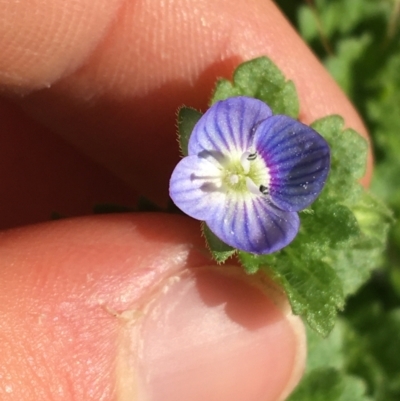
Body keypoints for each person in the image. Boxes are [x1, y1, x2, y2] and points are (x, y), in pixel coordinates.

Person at [0, 0, 372, 400]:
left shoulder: (267, 218)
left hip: (244, 205)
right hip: (221, 176)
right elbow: (189, 183)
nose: (247, 174)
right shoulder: (204, 173)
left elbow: (310, 156)